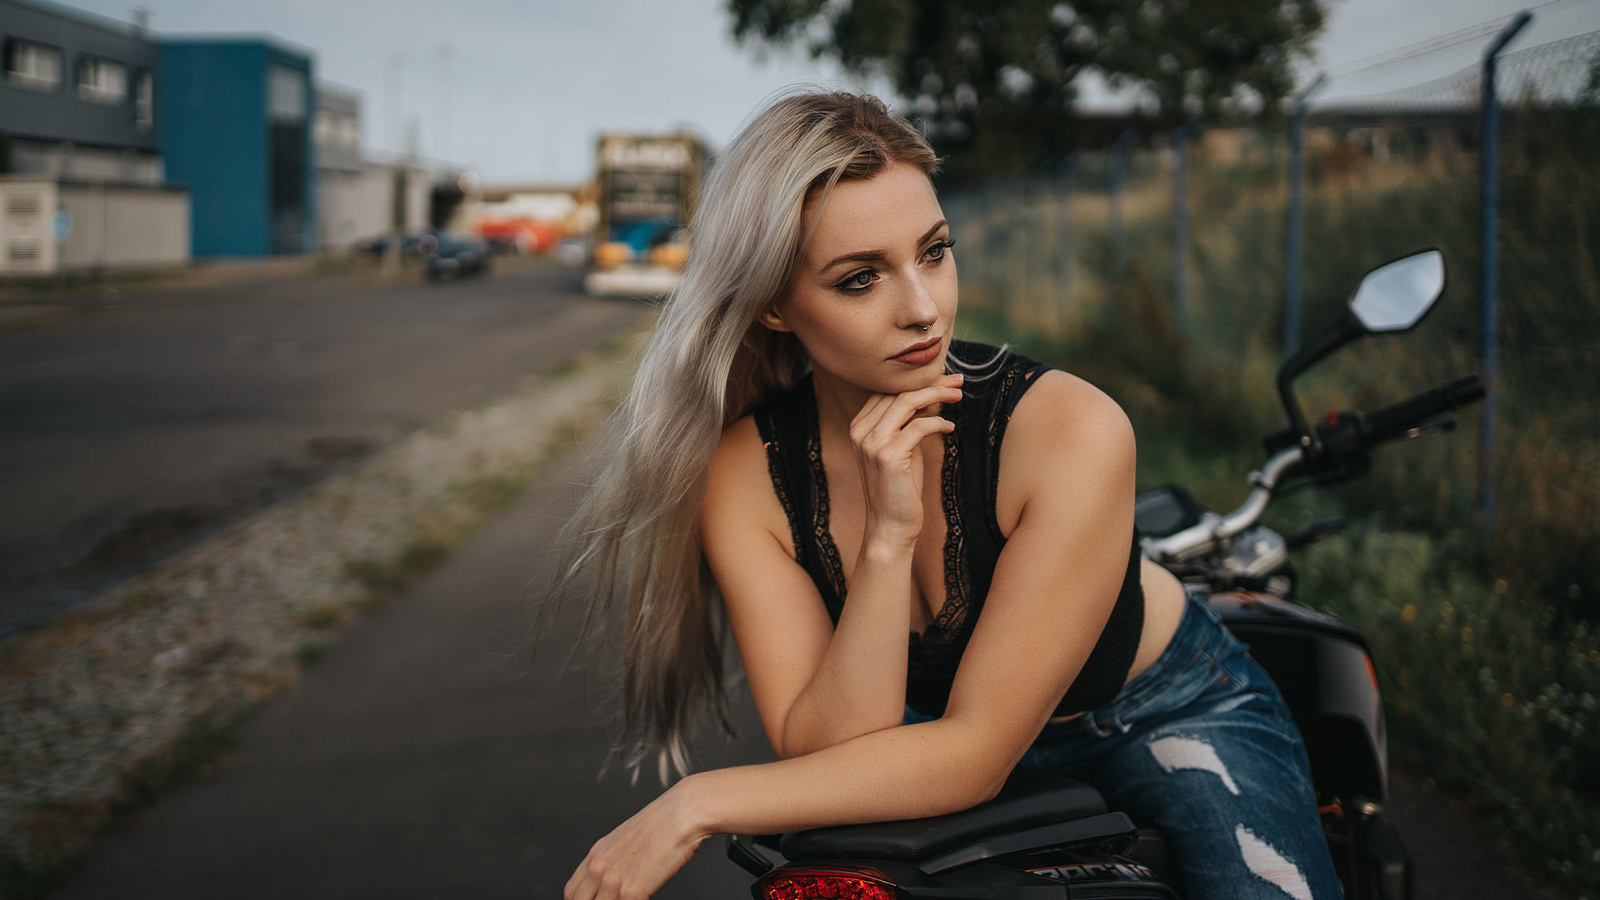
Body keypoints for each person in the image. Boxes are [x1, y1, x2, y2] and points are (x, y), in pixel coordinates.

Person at [557, 89, 1340, 900]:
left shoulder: (1070, 431)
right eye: (860, 279)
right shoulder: (744, 475)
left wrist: (698, 803)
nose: (923, 309)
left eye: (933, 251)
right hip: (926, 745)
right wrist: (887, 543)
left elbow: (977, 753)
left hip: (1165, 710)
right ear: (775, 308)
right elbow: (824, 743)